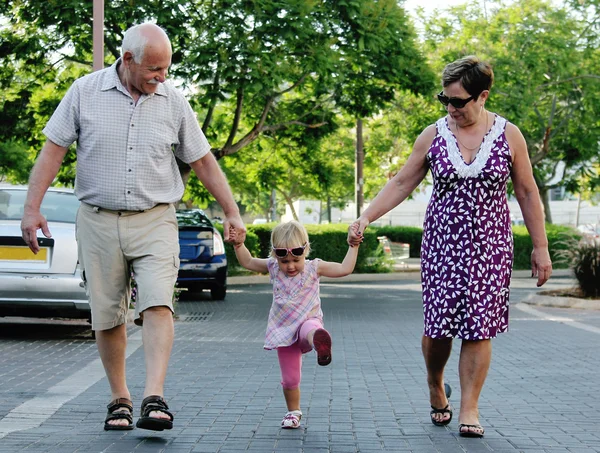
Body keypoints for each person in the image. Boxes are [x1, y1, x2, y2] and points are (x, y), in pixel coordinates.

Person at [20, 23, 246, 432]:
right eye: (154, 69)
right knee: (107, 315)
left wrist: (230, 211)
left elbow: (203, 160)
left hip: (155, 217)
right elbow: (53, 149)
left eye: (167, 69)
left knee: (159, 301)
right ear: (127, 59)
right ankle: (119, 399)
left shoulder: (174, 102)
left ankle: (153, 397)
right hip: (98, 220)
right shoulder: (84, 92)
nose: (162, 78)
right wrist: (32, 208)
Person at [347, 56, 552, 438]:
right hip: (443, 246)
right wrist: (366, 216)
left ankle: (469, 408)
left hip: (490, 248)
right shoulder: (433, 134)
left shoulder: (510, 136)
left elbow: (526, 191)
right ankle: (434, 382)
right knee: (439, 328)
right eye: (445, 99)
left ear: (483, 96)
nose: (450, 108)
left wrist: (540, 247)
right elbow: (402, 183)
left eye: (458, 101)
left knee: (478, 327)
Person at [230, 220, 359, 429]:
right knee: (290, 380)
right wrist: (238, 245)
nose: (290, 266)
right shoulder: (273, 267)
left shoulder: (314, 267)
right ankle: (293, 412)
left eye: (296, 259)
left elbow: (345, 268)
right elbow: (248, 262)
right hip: (283, 332)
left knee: (311, 329)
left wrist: (353, 245)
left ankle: (320, 343)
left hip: (308, 322)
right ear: (275, 256)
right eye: (285, 261)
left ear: (305, 249)